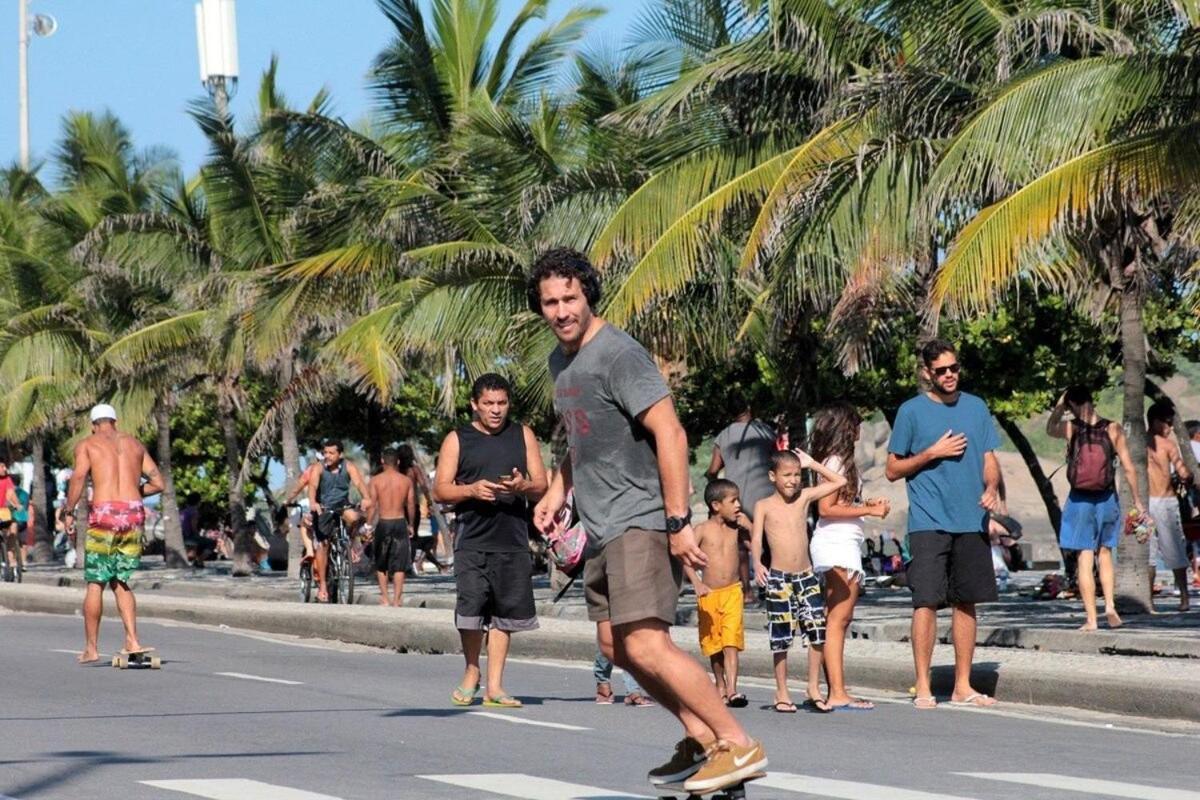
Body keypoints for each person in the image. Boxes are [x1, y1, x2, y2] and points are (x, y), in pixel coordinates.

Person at [529, 248, 766, 794]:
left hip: (640, 518)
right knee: (616, 647)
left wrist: (679, 520)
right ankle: (701, 739)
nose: (562, 310)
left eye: (570, 298)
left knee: (647, 645)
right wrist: (557, 491)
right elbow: (581, 439)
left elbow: (672, 433)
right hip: (600, 526)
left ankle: (736, 742)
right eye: (550, 302)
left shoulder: (618, 355)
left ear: (588, 294)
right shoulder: (560, 364)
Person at [885, 339, 1002, 709]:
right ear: (926, 373)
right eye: (941, 370)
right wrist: (931, 453)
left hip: (972, 520)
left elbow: (988, 457)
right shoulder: (911, 412)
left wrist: (992, 487)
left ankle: (962, 686)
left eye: (954, 368)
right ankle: (923, 684)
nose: (950, 375)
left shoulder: (977, 407)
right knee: (927, 602)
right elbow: (892, 469)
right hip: (928, 521)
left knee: (966, 602)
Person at [435, 373, 548, 709]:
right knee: (470, 610)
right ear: (475, 405)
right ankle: (472, 670)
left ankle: (495, 686)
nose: (496, 410)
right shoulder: (457, 439)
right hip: (472, 539)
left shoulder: (522, 434)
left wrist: (521, 486)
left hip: (512, 539)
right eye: (489, 404)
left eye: (502, 403)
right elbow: (440, 489)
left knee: (504, 614)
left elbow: (541, 483)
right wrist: (470, 489)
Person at [65, 404, 164, 664]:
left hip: (104, 513)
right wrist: (131, 493)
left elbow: (77, 479)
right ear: (115, 422)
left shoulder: (87, 444)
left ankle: (91, 648)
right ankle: (132, 639)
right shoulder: (135, 444)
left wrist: (68, 510)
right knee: (121, 579)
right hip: (133, 512)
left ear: (93, 425)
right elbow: (158, 483)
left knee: (96, 581)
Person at [750, 450, 846, 713]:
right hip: (779, 578)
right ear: (773, 477)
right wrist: (757, 562)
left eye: (797, 475)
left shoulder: (804, 497)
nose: (793, 480)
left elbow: (839, 482)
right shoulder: (764, 506)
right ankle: (781, 691)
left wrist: (812, 464)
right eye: (787, 475)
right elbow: (757, 539)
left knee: (817, 632)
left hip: (807, 576)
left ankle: (813, 687)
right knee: (781, 638)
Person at [808, 404, 890, 711]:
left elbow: (839, 503)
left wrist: (864, 504)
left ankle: (837, 688)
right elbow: (826, 509)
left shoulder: (839, 462)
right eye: (856, 425)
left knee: (840, 617)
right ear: (846, 428)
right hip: (836, 543)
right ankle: (837, 691)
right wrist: (867, 509)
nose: (859, 432)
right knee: (838, 618)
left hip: (844, 542)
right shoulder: (834, 461)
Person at [1047, 386, 1145, 629]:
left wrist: (1059, 406)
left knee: (1084, 557)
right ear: (1092, 400)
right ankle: (1110, 607)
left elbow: (1050, 428)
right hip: (1107, 497)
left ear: (1071, 406)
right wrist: (1137, 501)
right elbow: (1129, 467)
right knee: (1105, 554)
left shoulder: (1071, 428)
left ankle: (1091, 619)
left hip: (1080, 499)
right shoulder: (1113, 428)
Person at [686, 480, 749, 708]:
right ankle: (720, 684)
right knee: (715, 645)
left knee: (731, 641)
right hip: (709, 594)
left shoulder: (737, 529)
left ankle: (732, 689)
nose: (738, 506)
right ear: (716, 505)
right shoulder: (702, 529)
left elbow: (756, 545)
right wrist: (696, 583)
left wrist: (750, 527)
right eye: (733, 501)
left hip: (733, 591)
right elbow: (686, 558)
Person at [707, 406, 777, 596]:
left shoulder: (724, 435)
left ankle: (746, 592)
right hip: (767, 494)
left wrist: (712, 485)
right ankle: (771, 585)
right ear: (748, 409)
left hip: (735, 497)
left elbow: (713, 469)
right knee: (771, 539)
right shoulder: (765, 431)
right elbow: (777, 458)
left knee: (739, 543)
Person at [308, 440, 373, 603]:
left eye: (331, 453)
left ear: (340, 454)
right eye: (325, 453)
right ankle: (323, 586)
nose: (327, 456)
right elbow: (312, 487)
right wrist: (313, 503)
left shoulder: (348, 466)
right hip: (324, 508)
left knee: (357, 519)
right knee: (323, 545)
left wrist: (366, 498)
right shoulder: (318, 468)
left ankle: (350, 544)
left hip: (342, 506)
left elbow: (359, 483)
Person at [1146, 401, 1191, 611]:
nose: (1170, 428)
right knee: (1175, 551)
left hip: (1143, 504)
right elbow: (1183, 472)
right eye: (1168, 423)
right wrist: (1188, 476)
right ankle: (1184, 598)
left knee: (1149, 554)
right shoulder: (1167, 445)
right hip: (1165, 501)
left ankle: (1148, 601)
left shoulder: (1136, 443)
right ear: (1157, 422)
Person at [368, 449, 416, 607]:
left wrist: (368, 524)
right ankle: (397, 599)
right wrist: (410, 524)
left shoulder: (375, 480)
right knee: (400, 563)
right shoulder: (406, 481)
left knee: (381, 563)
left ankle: (385, 598)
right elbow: (410, 504)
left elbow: (372, 505)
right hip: (400, 522)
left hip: (384, 522)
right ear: (398, 462)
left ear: (382, 461)